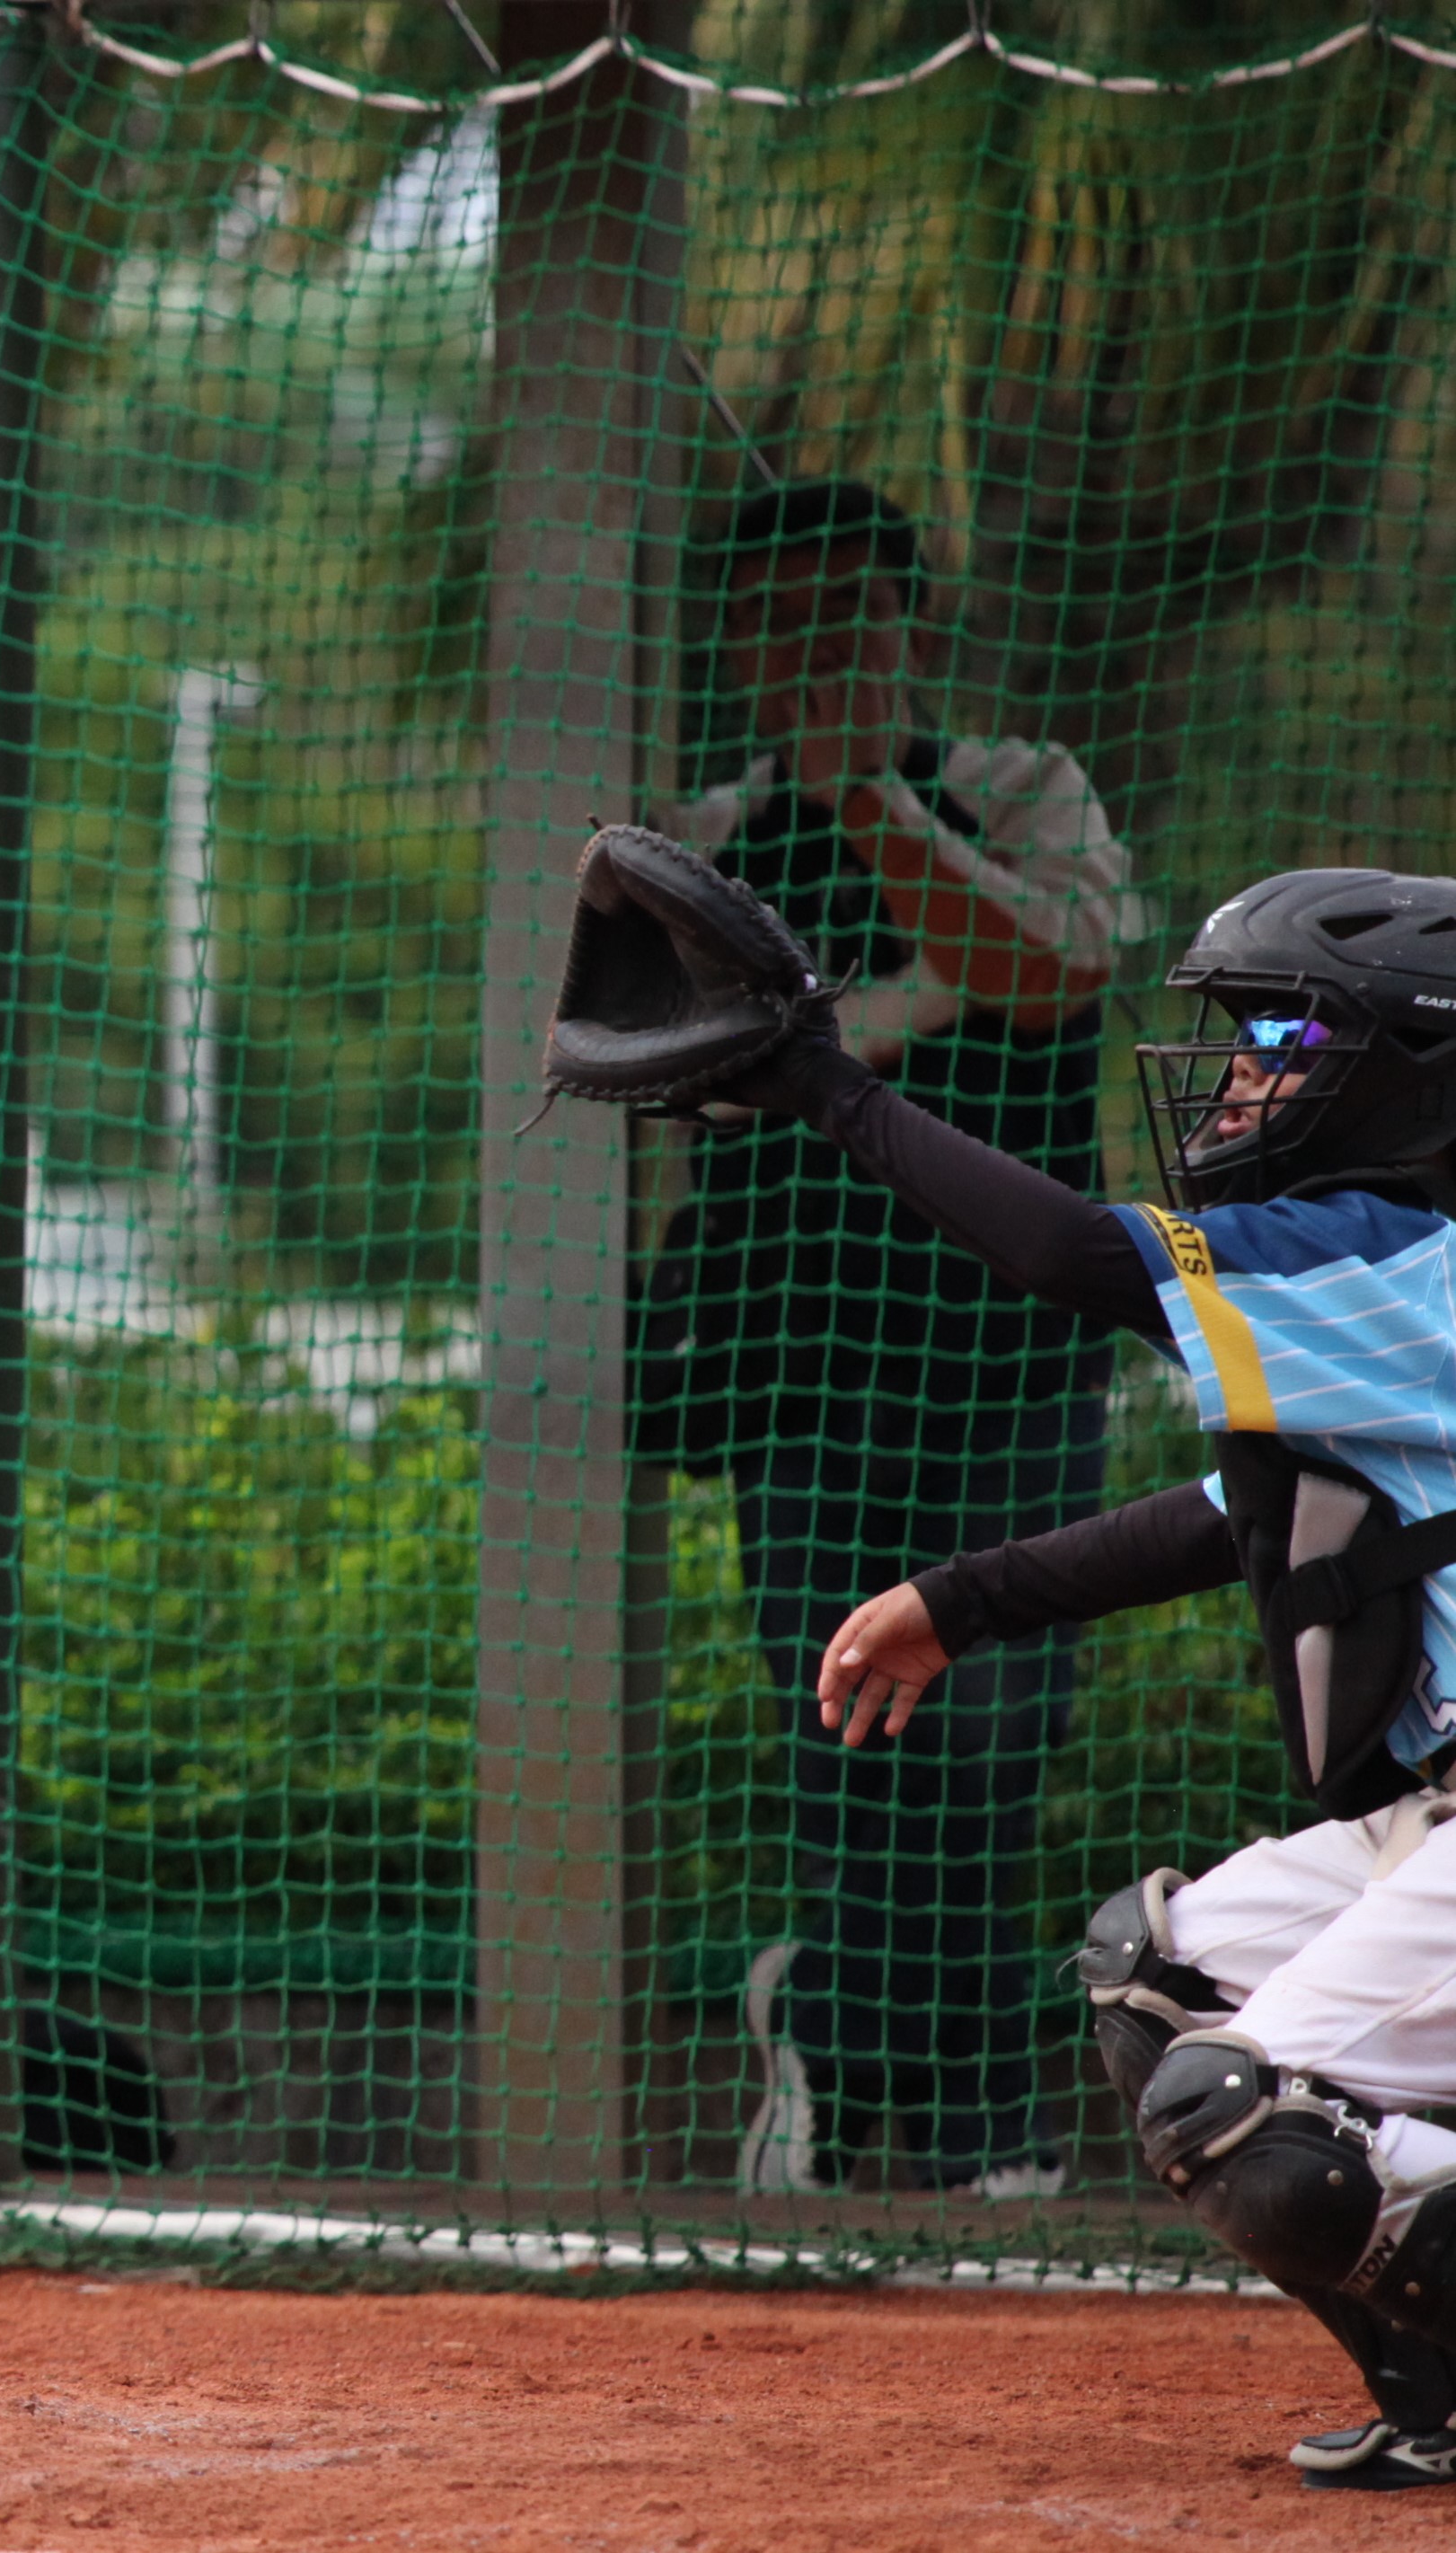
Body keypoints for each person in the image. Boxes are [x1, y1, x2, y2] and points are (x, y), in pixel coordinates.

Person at [701, 869, 1456, 2489]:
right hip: (1439, 1818)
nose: (1241, 1069)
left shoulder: (1396, 1258)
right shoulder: (1394, 1281)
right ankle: (1443, 2391)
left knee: (1233, 2108)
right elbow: (1232, 1512)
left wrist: (825, 1086)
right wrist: (959, 1599)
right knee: (1161, 1965)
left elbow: (1066, 1252)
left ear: (1412, 1068)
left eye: (1286, 1035)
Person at [649, 479, 1145, 2198]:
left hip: (1009, 1351)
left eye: (849, 615)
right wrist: (922, 995)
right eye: (778, 622)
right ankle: (914, 2091)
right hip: (792, 1355)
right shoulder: (701, 835)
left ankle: (872, 2051)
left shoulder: (1018, 786)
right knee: (844, 1723)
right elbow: (699, 1072)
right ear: (732, 645)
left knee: (995, 1728)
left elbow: (1052, 971)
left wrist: (870, 808)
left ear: (908, 626)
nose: (817, 649)